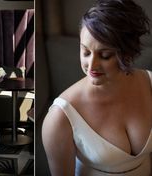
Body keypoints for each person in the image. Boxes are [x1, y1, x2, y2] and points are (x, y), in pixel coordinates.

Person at [42, 0, 152, 175]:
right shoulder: (59, 119)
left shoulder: (150, 84)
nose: (91, 65)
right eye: (85, 52)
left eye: (105, 55)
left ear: (128, 53)